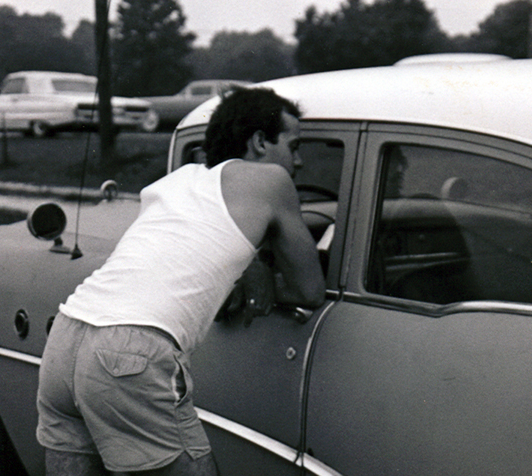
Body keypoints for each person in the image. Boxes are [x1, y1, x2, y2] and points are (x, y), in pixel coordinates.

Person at [36, 87, 326, 476]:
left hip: (67, 339)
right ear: (259, 142)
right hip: (132, 348)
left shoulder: (176, 182)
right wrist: (264, 272)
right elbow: (310, 290)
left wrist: (247, 266)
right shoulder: (271, 180)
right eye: (294, 145)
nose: (299, 161)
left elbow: (183, 250)